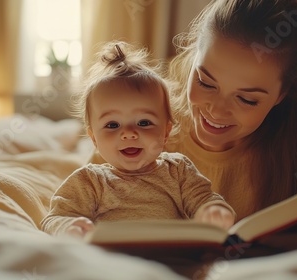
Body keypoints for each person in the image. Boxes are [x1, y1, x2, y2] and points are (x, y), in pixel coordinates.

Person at [88, 0, 297, 252]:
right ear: (193, 57)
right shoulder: (147, 123)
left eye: (247, 100)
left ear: (281, 96)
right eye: (206, 82)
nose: (217, 110)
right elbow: (86, 195)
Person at [41, 41, 235, 237]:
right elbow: (55, 218)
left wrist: (213, 211)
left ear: (166, 131)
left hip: (170, 259)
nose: (128, 133)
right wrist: (69, 227)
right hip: (112, 261)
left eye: (143, 122)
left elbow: (204, 198)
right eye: (112, 125)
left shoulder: (178, 170)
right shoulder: (90, 181)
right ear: (93, 139)